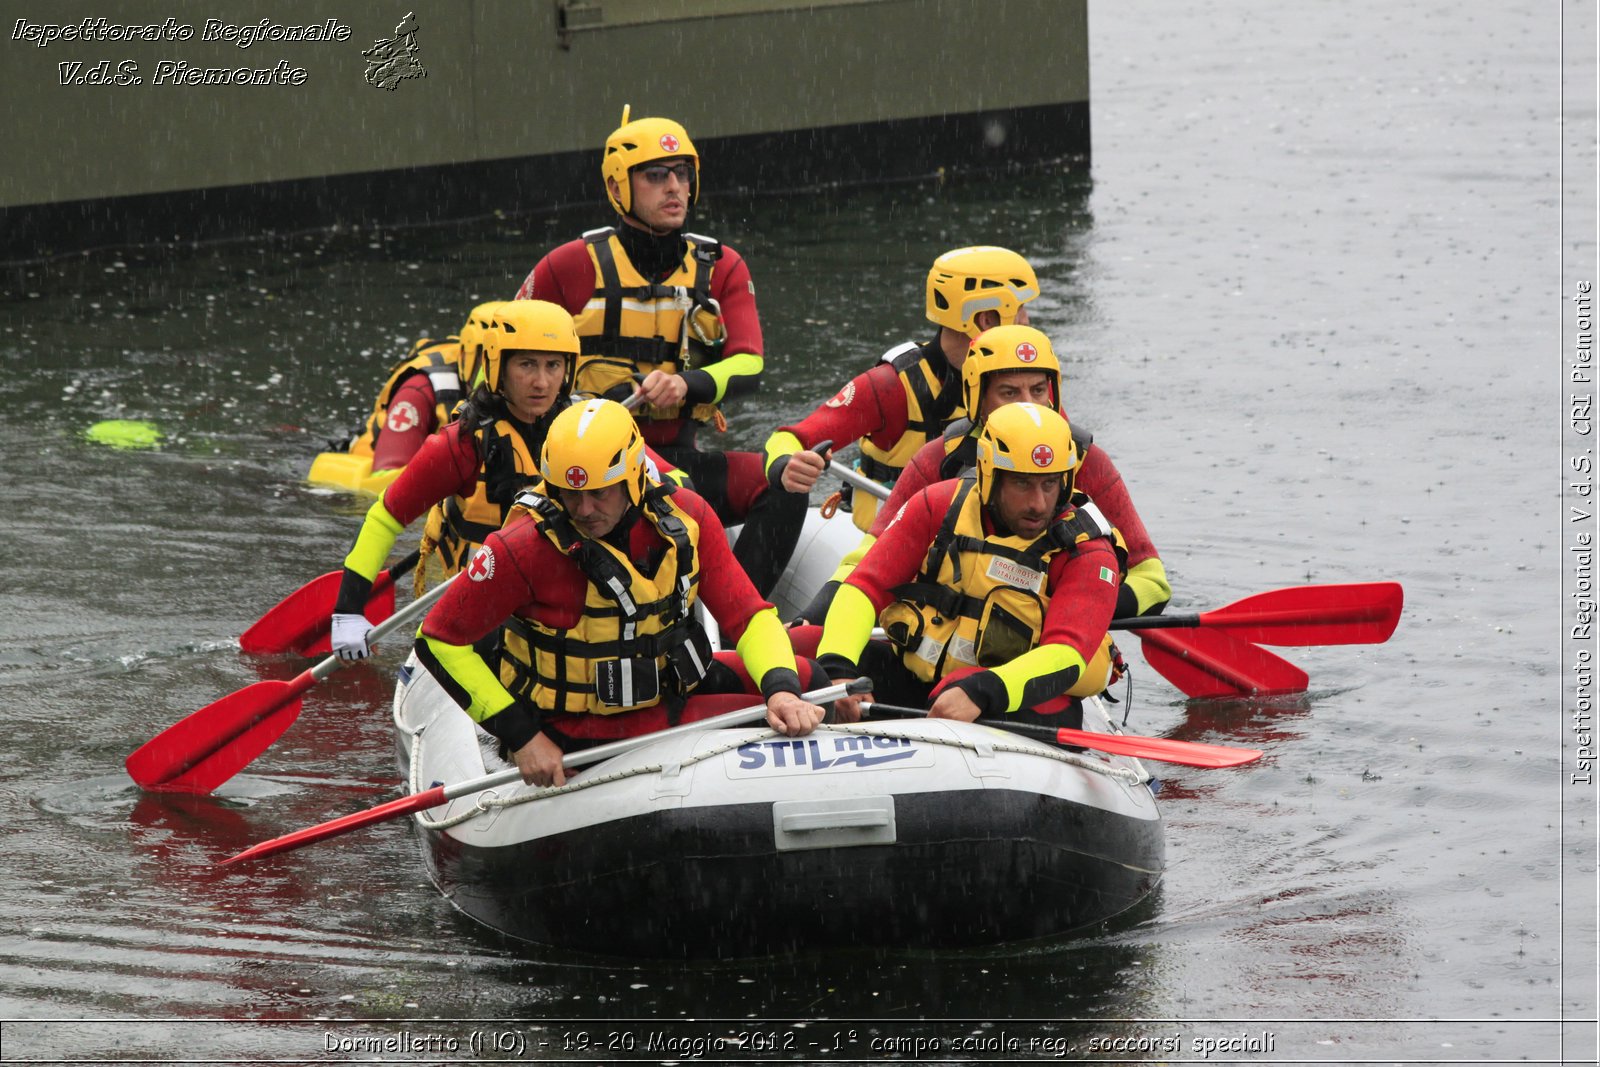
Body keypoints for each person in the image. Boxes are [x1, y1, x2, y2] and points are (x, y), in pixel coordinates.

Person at [415, 398, 828, 787]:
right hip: (579, 726)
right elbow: (437, 641)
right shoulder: (521, 547)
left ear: (634, 478)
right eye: (570, 493)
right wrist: (523, 737)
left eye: (599, 492)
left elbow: (749, 617)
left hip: (667, 689)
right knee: (763, 723)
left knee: (810, 679)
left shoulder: (688, 515)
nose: (584, 510)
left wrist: (781, 690)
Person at [513, 107, 806, 596]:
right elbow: (505, 362)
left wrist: (684, 383)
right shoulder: (567, 267)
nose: (674, 187)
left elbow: (750, 363)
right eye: (655, 176)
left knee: (786, 485)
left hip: (680, 457)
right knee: (676, 495)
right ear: (617, 189)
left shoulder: (721, 267)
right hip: (585, 476)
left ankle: (739, 620)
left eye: (682, 175)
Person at [330, 300, 676, 660]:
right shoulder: (461, 444)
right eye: (526, 364)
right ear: (498, 367)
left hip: (568, 588)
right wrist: (349, 611)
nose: (541, 382)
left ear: (568, 370)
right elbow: (386, 517)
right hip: (485, 602)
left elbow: (669, 480)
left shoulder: (587, 425)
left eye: (553, 365)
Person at [792, 325, 1171, 624]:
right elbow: (869, 558)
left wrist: (1082, 607)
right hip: (944, 625)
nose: (1028, 404)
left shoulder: (1086, 459)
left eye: (1038, 390)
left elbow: (1151, 580)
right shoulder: (939, 458)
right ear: (978, 396)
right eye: (1009, 392)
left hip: (1045, 635)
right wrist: (816, 616)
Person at [809, 402, 1125, 728]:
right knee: (810, 657)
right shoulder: (939, 505)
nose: (1038, 504)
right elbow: (864, 587)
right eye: (1021, 484)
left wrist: (983, 690)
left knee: (1017, 695)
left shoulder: (1087, 552)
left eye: (1049, 484)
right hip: (917, 683)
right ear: (990, 474)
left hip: (1013, 702)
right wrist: (837, 670)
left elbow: (1067, 654)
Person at [762, 245, 1040, 533]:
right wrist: (785, 465)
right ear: (987, 319)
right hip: (887, 538)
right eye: (1020, 310)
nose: (1027, 321)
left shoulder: (1024, 383)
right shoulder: (891, 387)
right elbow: (786, 439)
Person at [346, 300, 504, 472]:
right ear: (468, 354)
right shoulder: (420, 389)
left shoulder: (530, 396)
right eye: (492, 356)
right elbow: (388, 475)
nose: (502, 370)